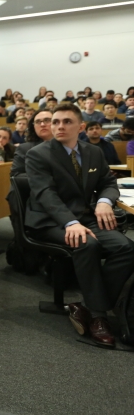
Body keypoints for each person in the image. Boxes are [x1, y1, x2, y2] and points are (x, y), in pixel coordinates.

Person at [25, 103, 134, 347]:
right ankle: (99, 317)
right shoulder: (38, 154)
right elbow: (45, 194)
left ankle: (86, 306)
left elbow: (108, 181)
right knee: (88, 245)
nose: (59, 126)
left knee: (126, 248)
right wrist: (70, 222)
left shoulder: (93, 152)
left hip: (86, 218)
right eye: (55, 122)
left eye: (66, 121)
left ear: (81, 126)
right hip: (49, 220)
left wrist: (105, 201)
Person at [11, 110, 53, 176]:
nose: (42, 124)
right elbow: (16, 176)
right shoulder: (24, 149)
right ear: (34, 127)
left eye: (47, 120)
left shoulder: (68, 145)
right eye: (38, 122)